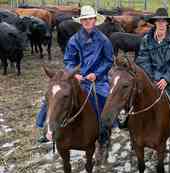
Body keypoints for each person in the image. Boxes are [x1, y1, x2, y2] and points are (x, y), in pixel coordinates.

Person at [35, 5, 114, 158]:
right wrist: (74, 73)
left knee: (105, 100)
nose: (87, 22)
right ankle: (45, 128)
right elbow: (69, 59)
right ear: (81, 21)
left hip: (97, 79)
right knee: (54, 95)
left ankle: (103, 134)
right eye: (84, 19)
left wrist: (96, 74)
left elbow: (108, 60)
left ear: (95, 20)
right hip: (75, 77)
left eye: (90, 19)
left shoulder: (104, 40)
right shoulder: (74, 39)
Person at [135, 8, 170, 137]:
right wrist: (155, 78)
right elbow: (143, 60)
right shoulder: (146, 39)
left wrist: (166, 79)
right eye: (159, 21)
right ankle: (128, 121)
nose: (161, 24)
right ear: (155, 23)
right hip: (152, 78)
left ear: (167, 23)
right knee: (134, 94)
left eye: (164, 21)